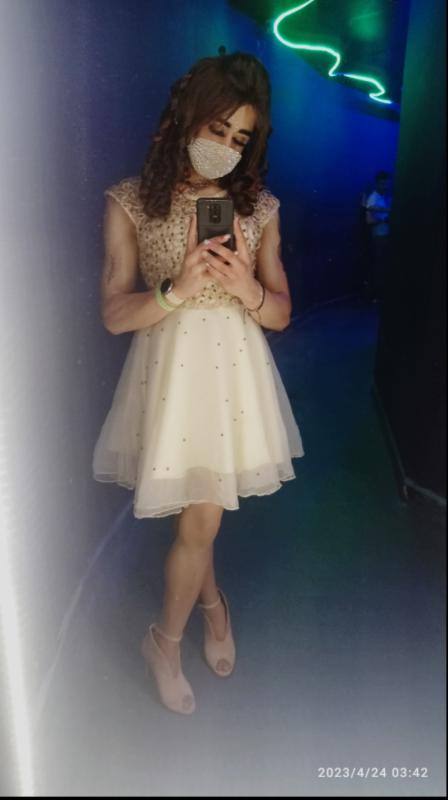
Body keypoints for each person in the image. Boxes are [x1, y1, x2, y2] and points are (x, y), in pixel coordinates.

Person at [92, 50, 305, 715]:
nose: (227, 148)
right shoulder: (131, 201)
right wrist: (176, 288)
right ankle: (205, 611)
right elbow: (114, 314)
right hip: (169, 379)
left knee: (201, 513)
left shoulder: (258, 208)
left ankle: (167, 637)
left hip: (233, 377)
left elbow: (281, 312)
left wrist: (246, 288)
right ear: (186, 116)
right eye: (218, 129)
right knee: (200, 512)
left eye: (240, 138)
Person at [364, 170, 392, 302]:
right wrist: (385, 218)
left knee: (385, 265)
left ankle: (383, 293)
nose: (384, 186)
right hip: (379, 236)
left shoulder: (386, 197)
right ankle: (377, 295)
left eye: (386, 183)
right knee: (379, 266)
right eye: (382, 183)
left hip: (386, 235)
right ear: (377, 183)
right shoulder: (373, 198)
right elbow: (369, 219)